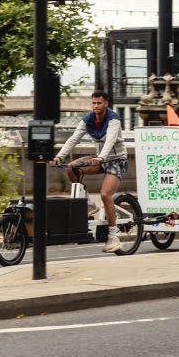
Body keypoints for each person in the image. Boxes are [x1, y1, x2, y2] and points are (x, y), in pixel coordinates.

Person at [52, 90, 127, 253]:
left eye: (99, 103)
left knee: (105, 194)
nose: (96, 106)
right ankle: (88, 204)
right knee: (72, 168)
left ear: (106, 104)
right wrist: (59, 157)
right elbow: (73, 139)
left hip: (116, 160)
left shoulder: (113, 119)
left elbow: (110, 140)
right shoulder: (88, 119)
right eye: (93, 103)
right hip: (99, 158)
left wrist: (101, 157)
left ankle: (113, 237)